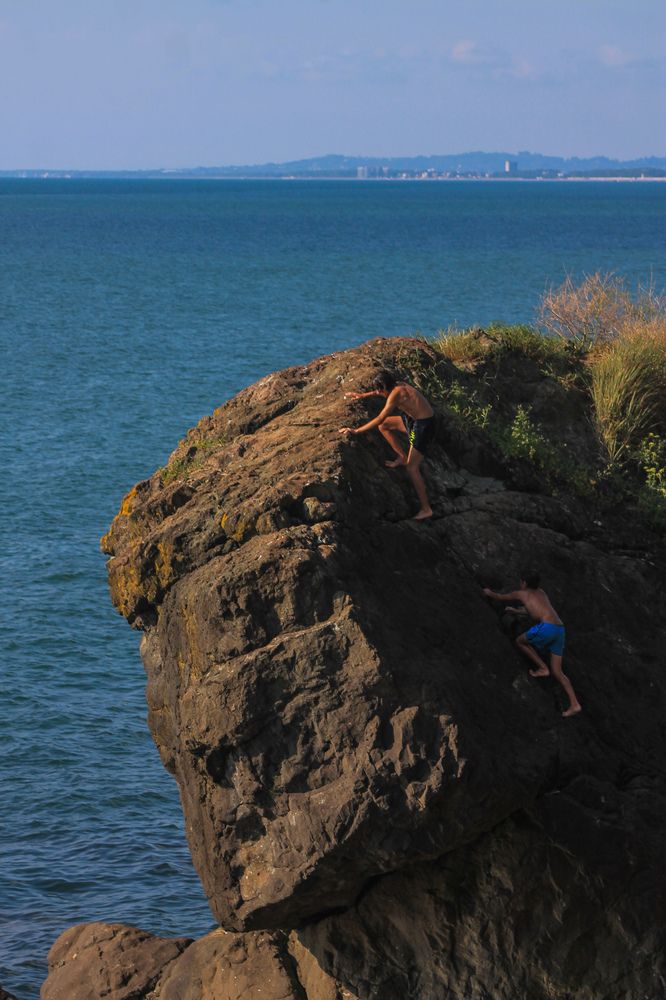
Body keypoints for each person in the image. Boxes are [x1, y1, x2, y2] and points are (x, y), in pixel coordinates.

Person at [483, 571, 582, 717]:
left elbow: (501, 597)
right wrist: (516, 611)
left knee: (520, 641)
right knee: (558, 671)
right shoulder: (541, 592)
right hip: (559, 629)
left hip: (547, 628)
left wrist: (489, 592)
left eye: (520, 582)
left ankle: (542, 668)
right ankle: (575, 704)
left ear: (524, 583)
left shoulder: (521, 594)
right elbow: (535, 610)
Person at [339, 370, 435, 520]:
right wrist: (362, 395)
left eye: (379, 390)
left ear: (385, 387)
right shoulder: (397, 385)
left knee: (412, 467)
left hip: (423, 426)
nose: (378, 392)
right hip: (412, 419)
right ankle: (402, 456)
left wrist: (356, 431)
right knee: (384, 426)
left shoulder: (395, 394)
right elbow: (380, 399)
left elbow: (379, 417)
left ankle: (426, 508)